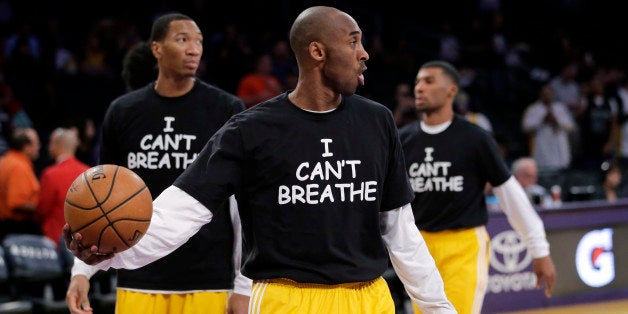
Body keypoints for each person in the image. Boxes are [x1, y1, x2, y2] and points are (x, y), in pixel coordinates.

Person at [64, 6, 456, 313]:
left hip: (370, 298)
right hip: (286, 300)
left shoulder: (377, 121)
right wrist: (108, 254)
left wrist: (438, 307)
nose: (364, 53)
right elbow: (178, 214)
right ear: (317, 51)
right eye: (353, 42)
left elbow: (400, 231)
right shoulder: (249, 131)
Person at [64, 13, 251, 314]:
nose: (194, 49)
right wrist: (82, 272)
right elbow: (97, 197)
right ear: (156, 49)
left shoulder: (226, 108)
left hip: (209, 280)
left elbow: (242, 203)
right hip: (139, 277)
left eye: (199, 41)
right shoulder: (123, 112)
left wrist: (244, 285)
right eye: (182, 39)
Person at [397, 60, 556, 314]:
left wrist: (539, 249)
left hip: (464, 245)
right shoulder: (404, 139)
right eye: (417, 82)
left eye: (428, 81)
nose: (419, 88)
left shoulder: (475, 138)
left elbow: (510, 195)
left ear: (451, 91)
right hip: (420, 246)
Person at [36, 127, 89, 244]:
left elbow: (41, 211)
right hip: (82, 242)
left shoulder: (50, 174)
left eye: (50, 143)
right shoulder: (88, 172)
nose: (48, 147)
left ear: (57, 144)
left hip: (55, 241)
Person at [0, 127, 41, 241]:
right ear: (26, 147)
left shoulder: (6, 160)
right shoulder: (19, 167)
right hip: (15, 230)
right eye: (36, 143)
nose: (39, 147)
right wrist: (40, 207)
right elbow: (17, 203)